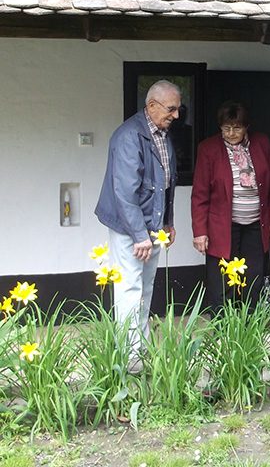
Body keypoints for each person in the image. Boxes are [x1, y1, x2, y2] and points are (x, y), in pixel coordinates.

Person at [95, 80, 180, 369]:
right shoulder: (129, 136)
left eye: (179, 109)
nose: (176, 115)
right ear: (152, 105)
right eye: (171, 109)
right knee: (130, 288)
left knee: (145, 288)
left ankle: (139, 351)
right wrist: (139, 235)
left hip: (152, 226)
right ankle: (130, 359)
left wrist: (168, 222)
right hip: (131, 229)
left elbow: (166, 182)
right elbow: (124, 193)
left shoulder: (161, 133)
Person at [191, 101, 270, 310]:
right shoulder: (208, 148)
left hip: (257, 225)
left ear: (247, 127)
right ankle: (222, 328)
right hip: (222, 227)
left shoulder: (261, 143)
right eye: (226, 128)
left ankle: (250, 327)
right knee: (221, 279)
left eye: (237, 127)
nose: (231, 133)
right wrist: (200, 231)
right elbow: (199, 194)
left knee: (253, 277)